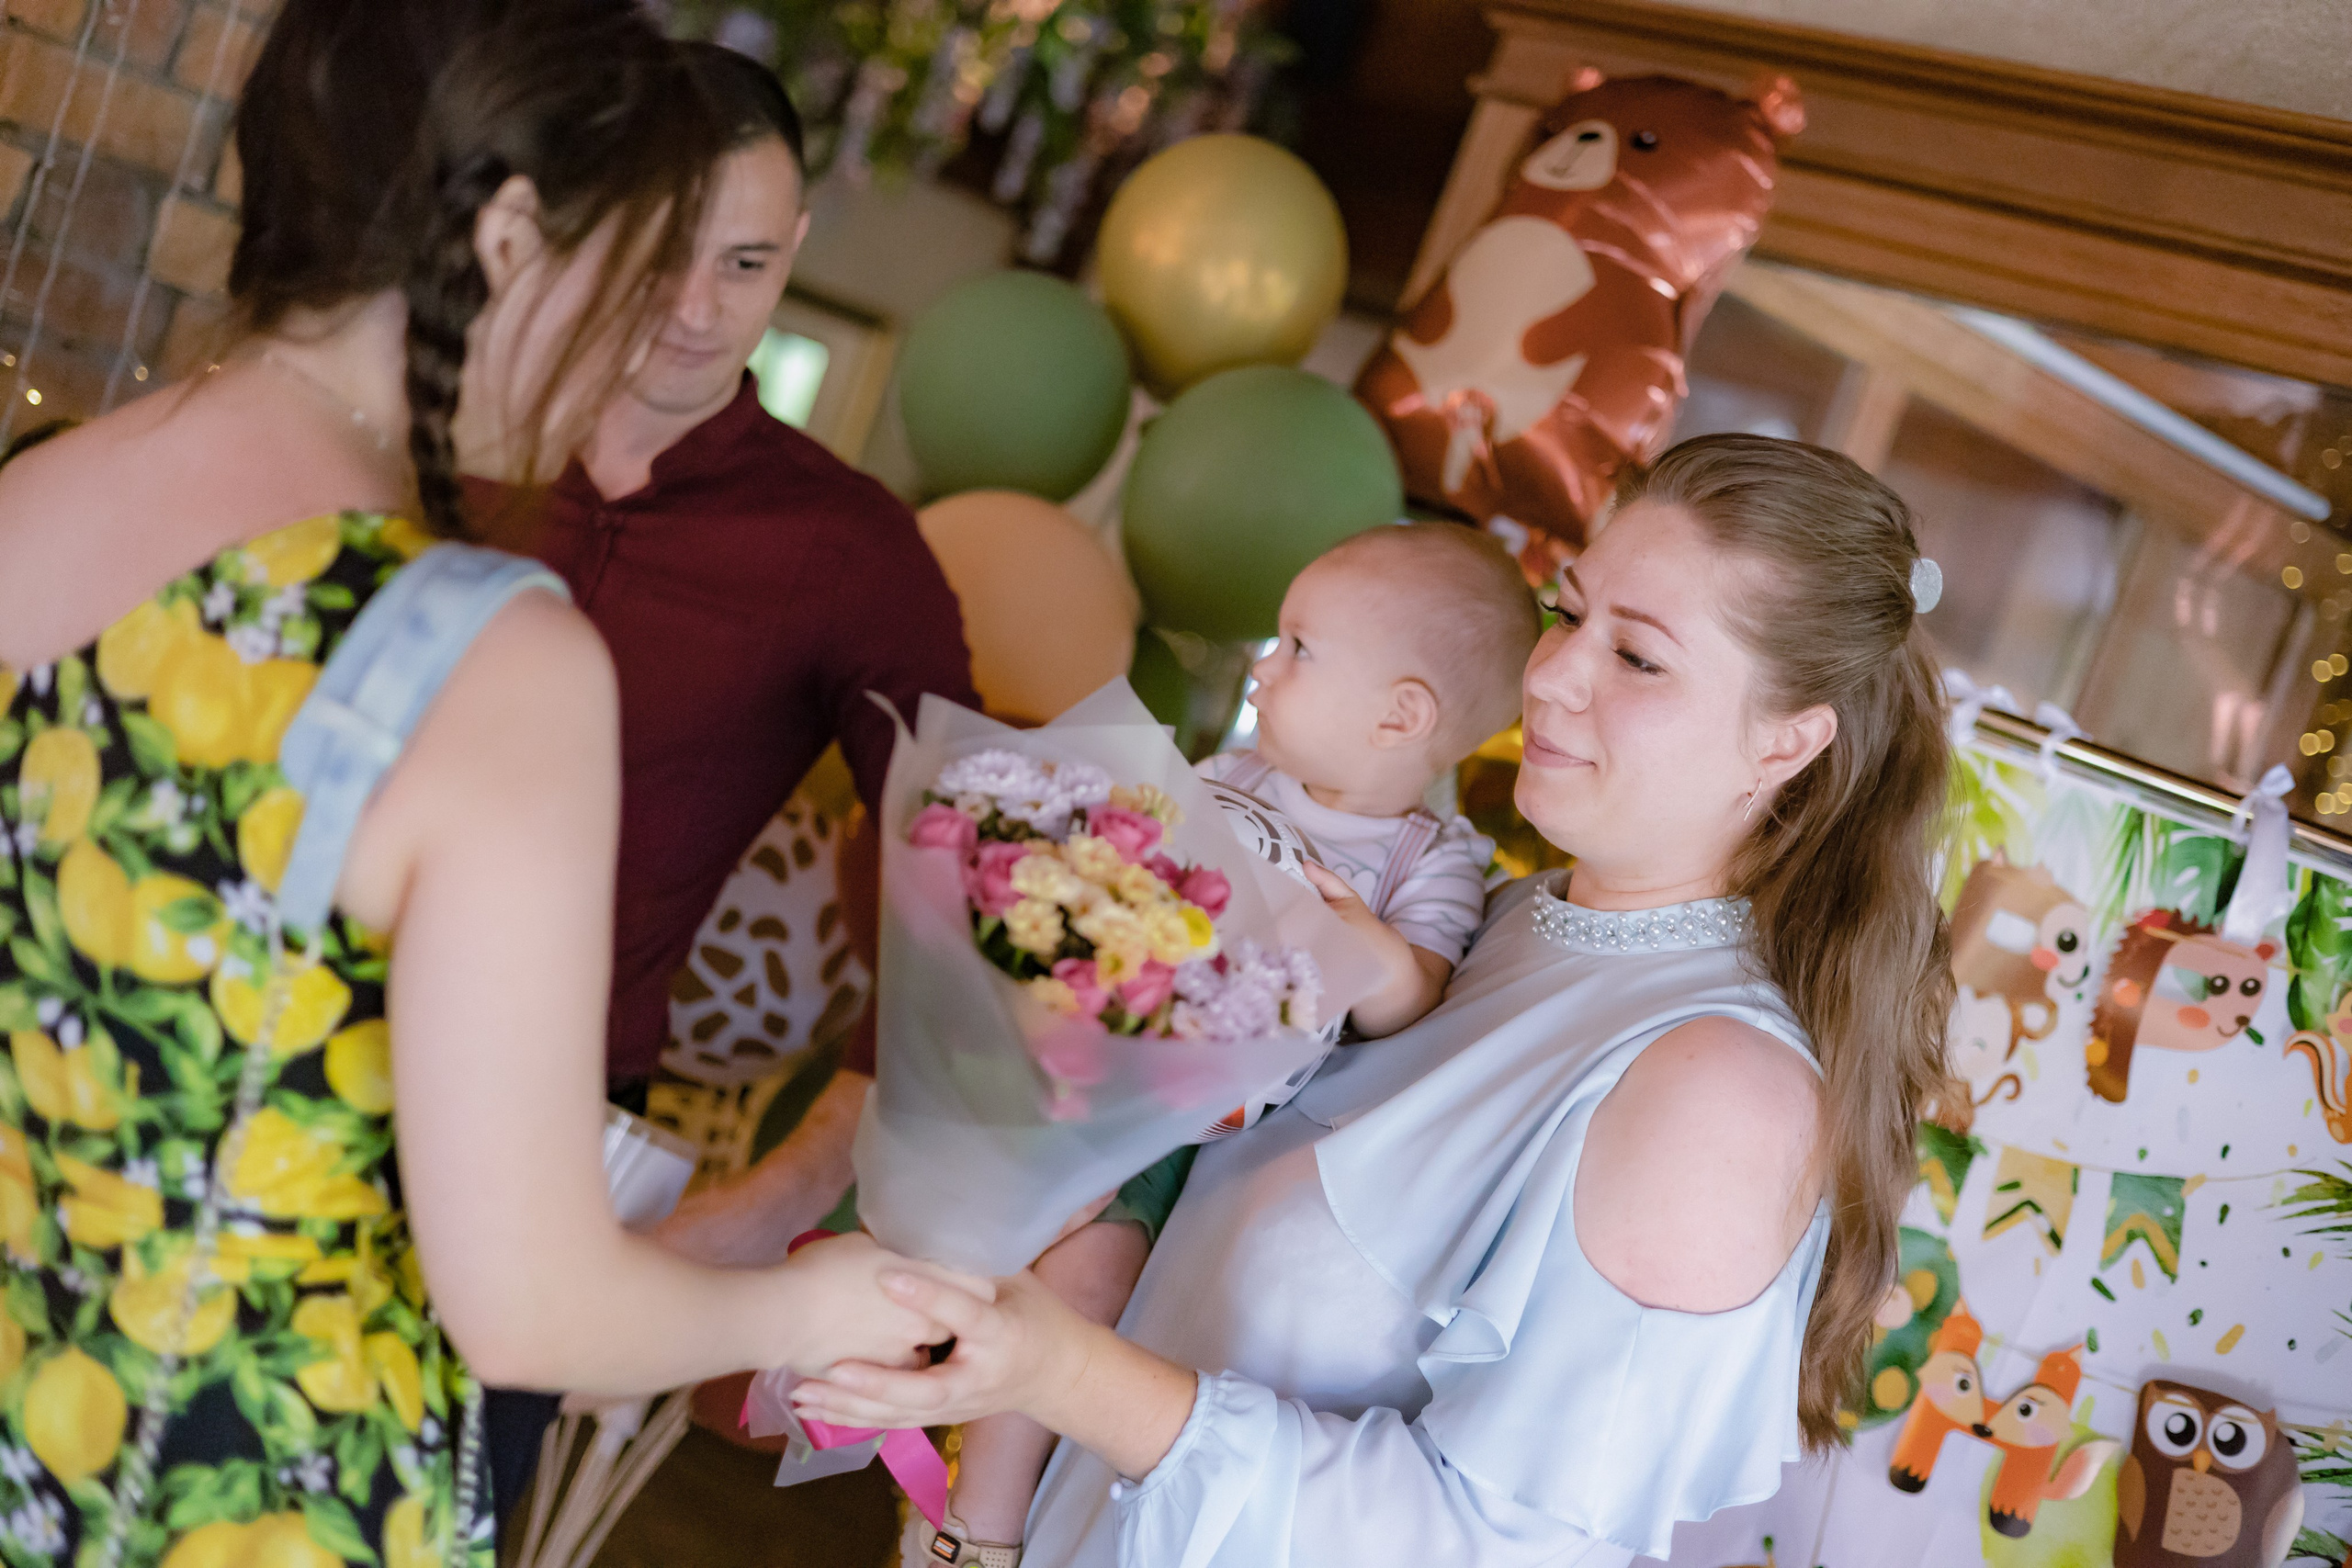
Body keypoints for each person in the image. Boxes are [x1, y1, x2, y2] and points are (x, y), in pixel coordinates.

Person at [0, 7, 970, 1564]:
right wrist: (816, 1297)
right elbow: (526, 1304)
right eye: (629, 261)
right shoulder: (481, 650)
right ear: (511, 237)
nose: (645, 328)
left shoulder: (41, 499)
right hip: (240, 1485)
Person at [795, 434, 1959, 1567]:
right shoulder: (1491, 920)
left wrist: (1057, 1369)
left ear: (1786, 742)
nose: (1550, 674)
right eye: (1565, 615)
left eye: (1638, 659)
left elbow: (1498, 1549)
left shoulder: (1722, 1091)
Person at [919, 522, 1542, 1565]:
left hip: (1191, 1120)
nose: (1263, 665)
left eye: (1299, 647)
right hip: (1088, 1056)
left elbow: (1413, 998)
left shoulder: (1428, 858)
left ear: (1400, 714)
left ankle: (974, 1523)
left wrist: (1371, 954)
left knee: (1085, 1279)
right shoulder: (1231, 774)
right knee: (943, 1189)